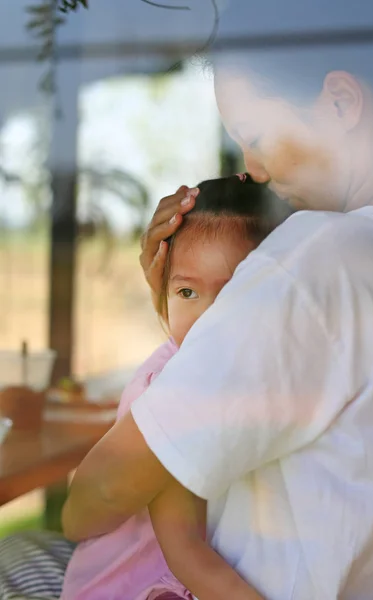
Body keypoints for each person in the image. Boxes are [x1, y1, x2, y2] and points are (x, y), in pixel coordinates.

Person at [62, 1, 373, 599]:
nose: (254, 169)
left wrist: (202, 311)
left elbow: (92, 501)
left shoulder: (314, 259)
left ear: (342, 103)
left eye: (257, 137)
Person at [60, 174, 283, 600]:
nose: (207, 318)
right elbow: (186, 552)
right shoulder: (174, 392)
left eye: (234, 292)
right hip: (143, 583)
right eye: (187, 291)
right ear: (162, 291)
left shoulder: (261, 368)